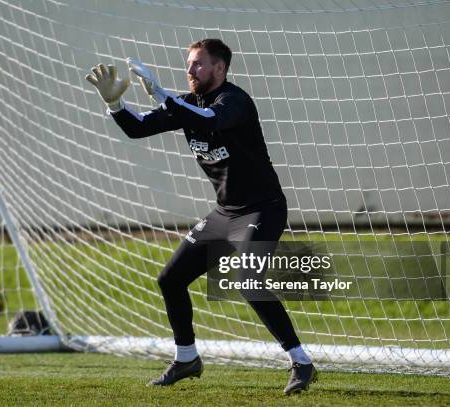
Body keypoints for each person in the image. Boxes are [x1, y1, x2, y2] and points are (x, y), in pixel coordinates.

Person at [85, 38, 317, 394]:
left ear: (220, 69)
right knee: (170, 279)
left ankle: (301, 362)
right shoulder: (187, 103)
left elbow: (209, 122)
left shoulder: (234, 101)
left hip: (262, 208)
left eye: (198, 65)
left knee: (248, 282)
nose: (190, 71)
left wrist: (162, 95)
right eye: (189, 64)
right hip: (226, 212)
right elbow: (138, 128)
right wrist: (115, 104)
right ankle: (186, 359)